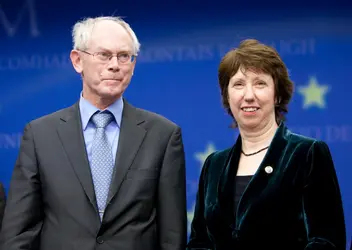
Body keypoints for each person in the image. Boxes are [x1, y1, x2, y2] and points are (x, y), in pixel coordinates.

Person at [0, 16, 187, 250]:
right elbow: (18, 233)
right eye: (104, 55)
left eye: (124, 56)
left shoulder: (163, 135)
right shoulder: (40, 136)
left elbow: (172, 236)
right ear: (77, 61)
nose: (115, 65)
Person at [186, 39, 346, 249]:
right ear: (227, 95)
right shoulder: (213, 164)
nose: (249, 96)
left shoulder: (307, 153)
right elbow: (200, 243)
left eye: (260, 83)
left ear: (277, 94)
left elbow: (327, 241)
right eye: (238, 84)